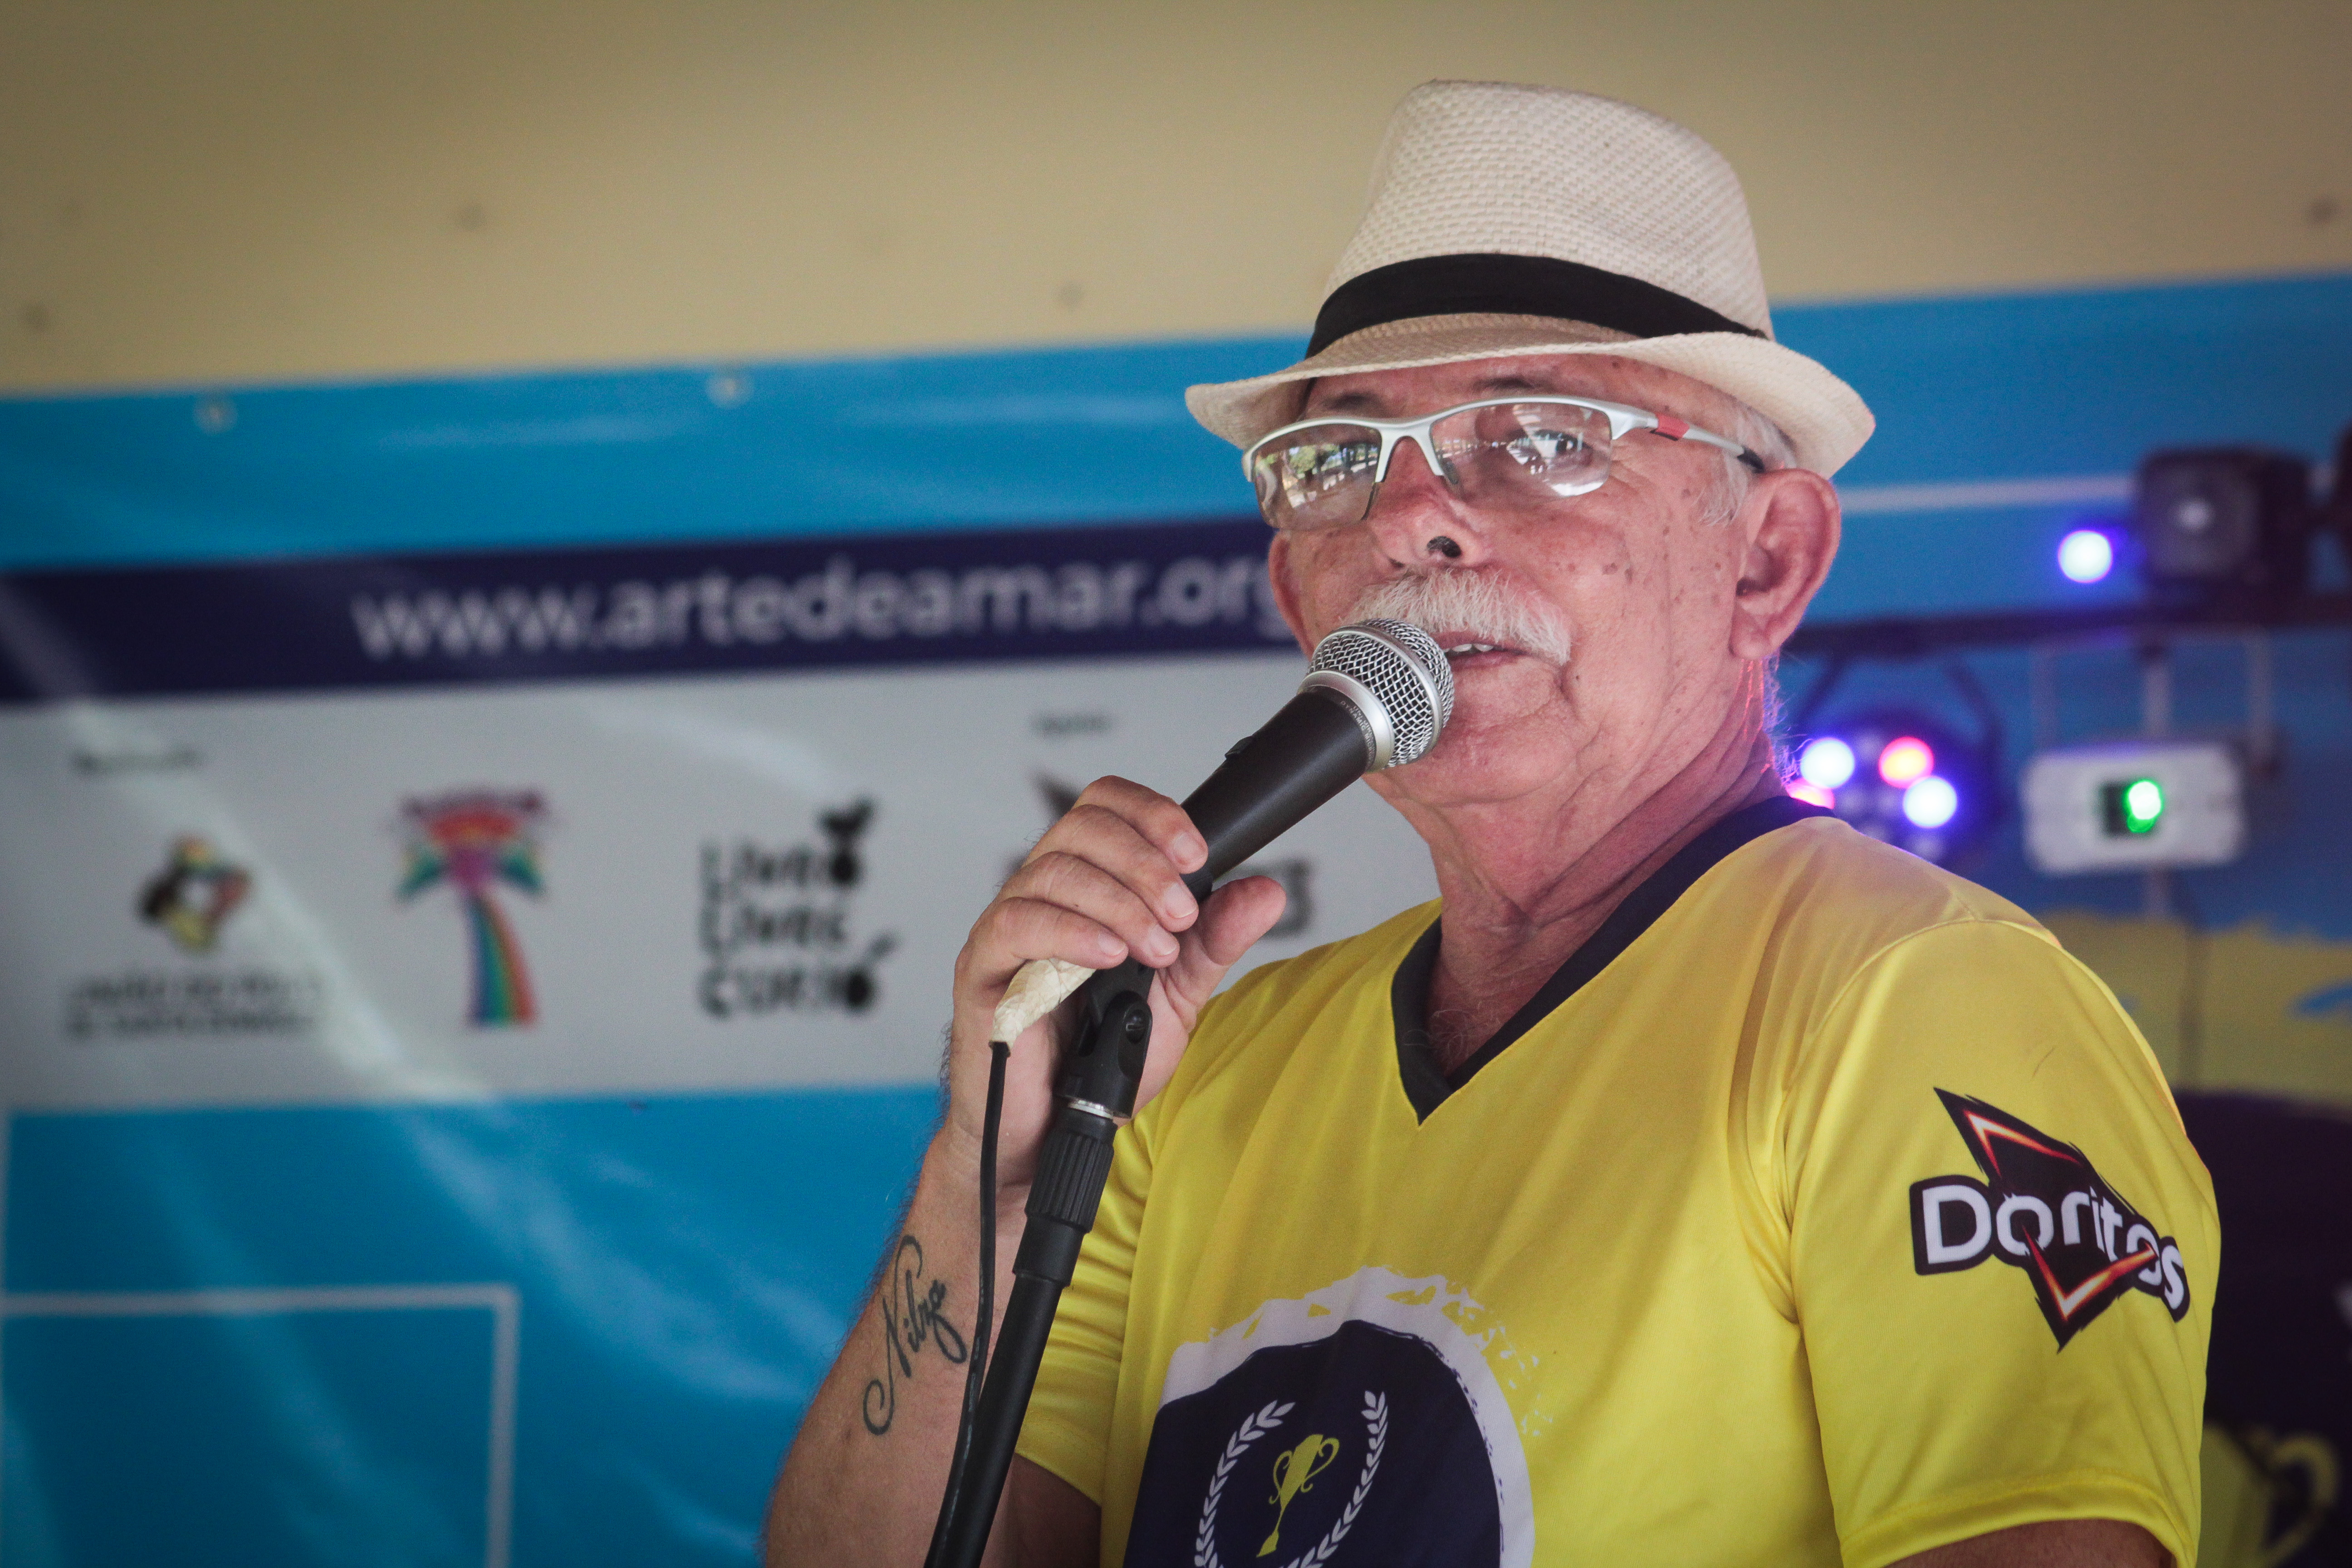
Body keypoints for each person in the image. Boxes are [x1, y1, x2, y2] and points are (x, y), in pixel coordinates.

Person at [769, 81, 2217, 1568]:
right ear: (1301, 600)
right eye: (1342, 462)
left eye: (1543, 437)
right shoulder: (1198, 1072)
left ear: (1766, 562)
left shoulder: (1921, 1000)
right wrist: (988, 1179)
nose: (1408, 520)